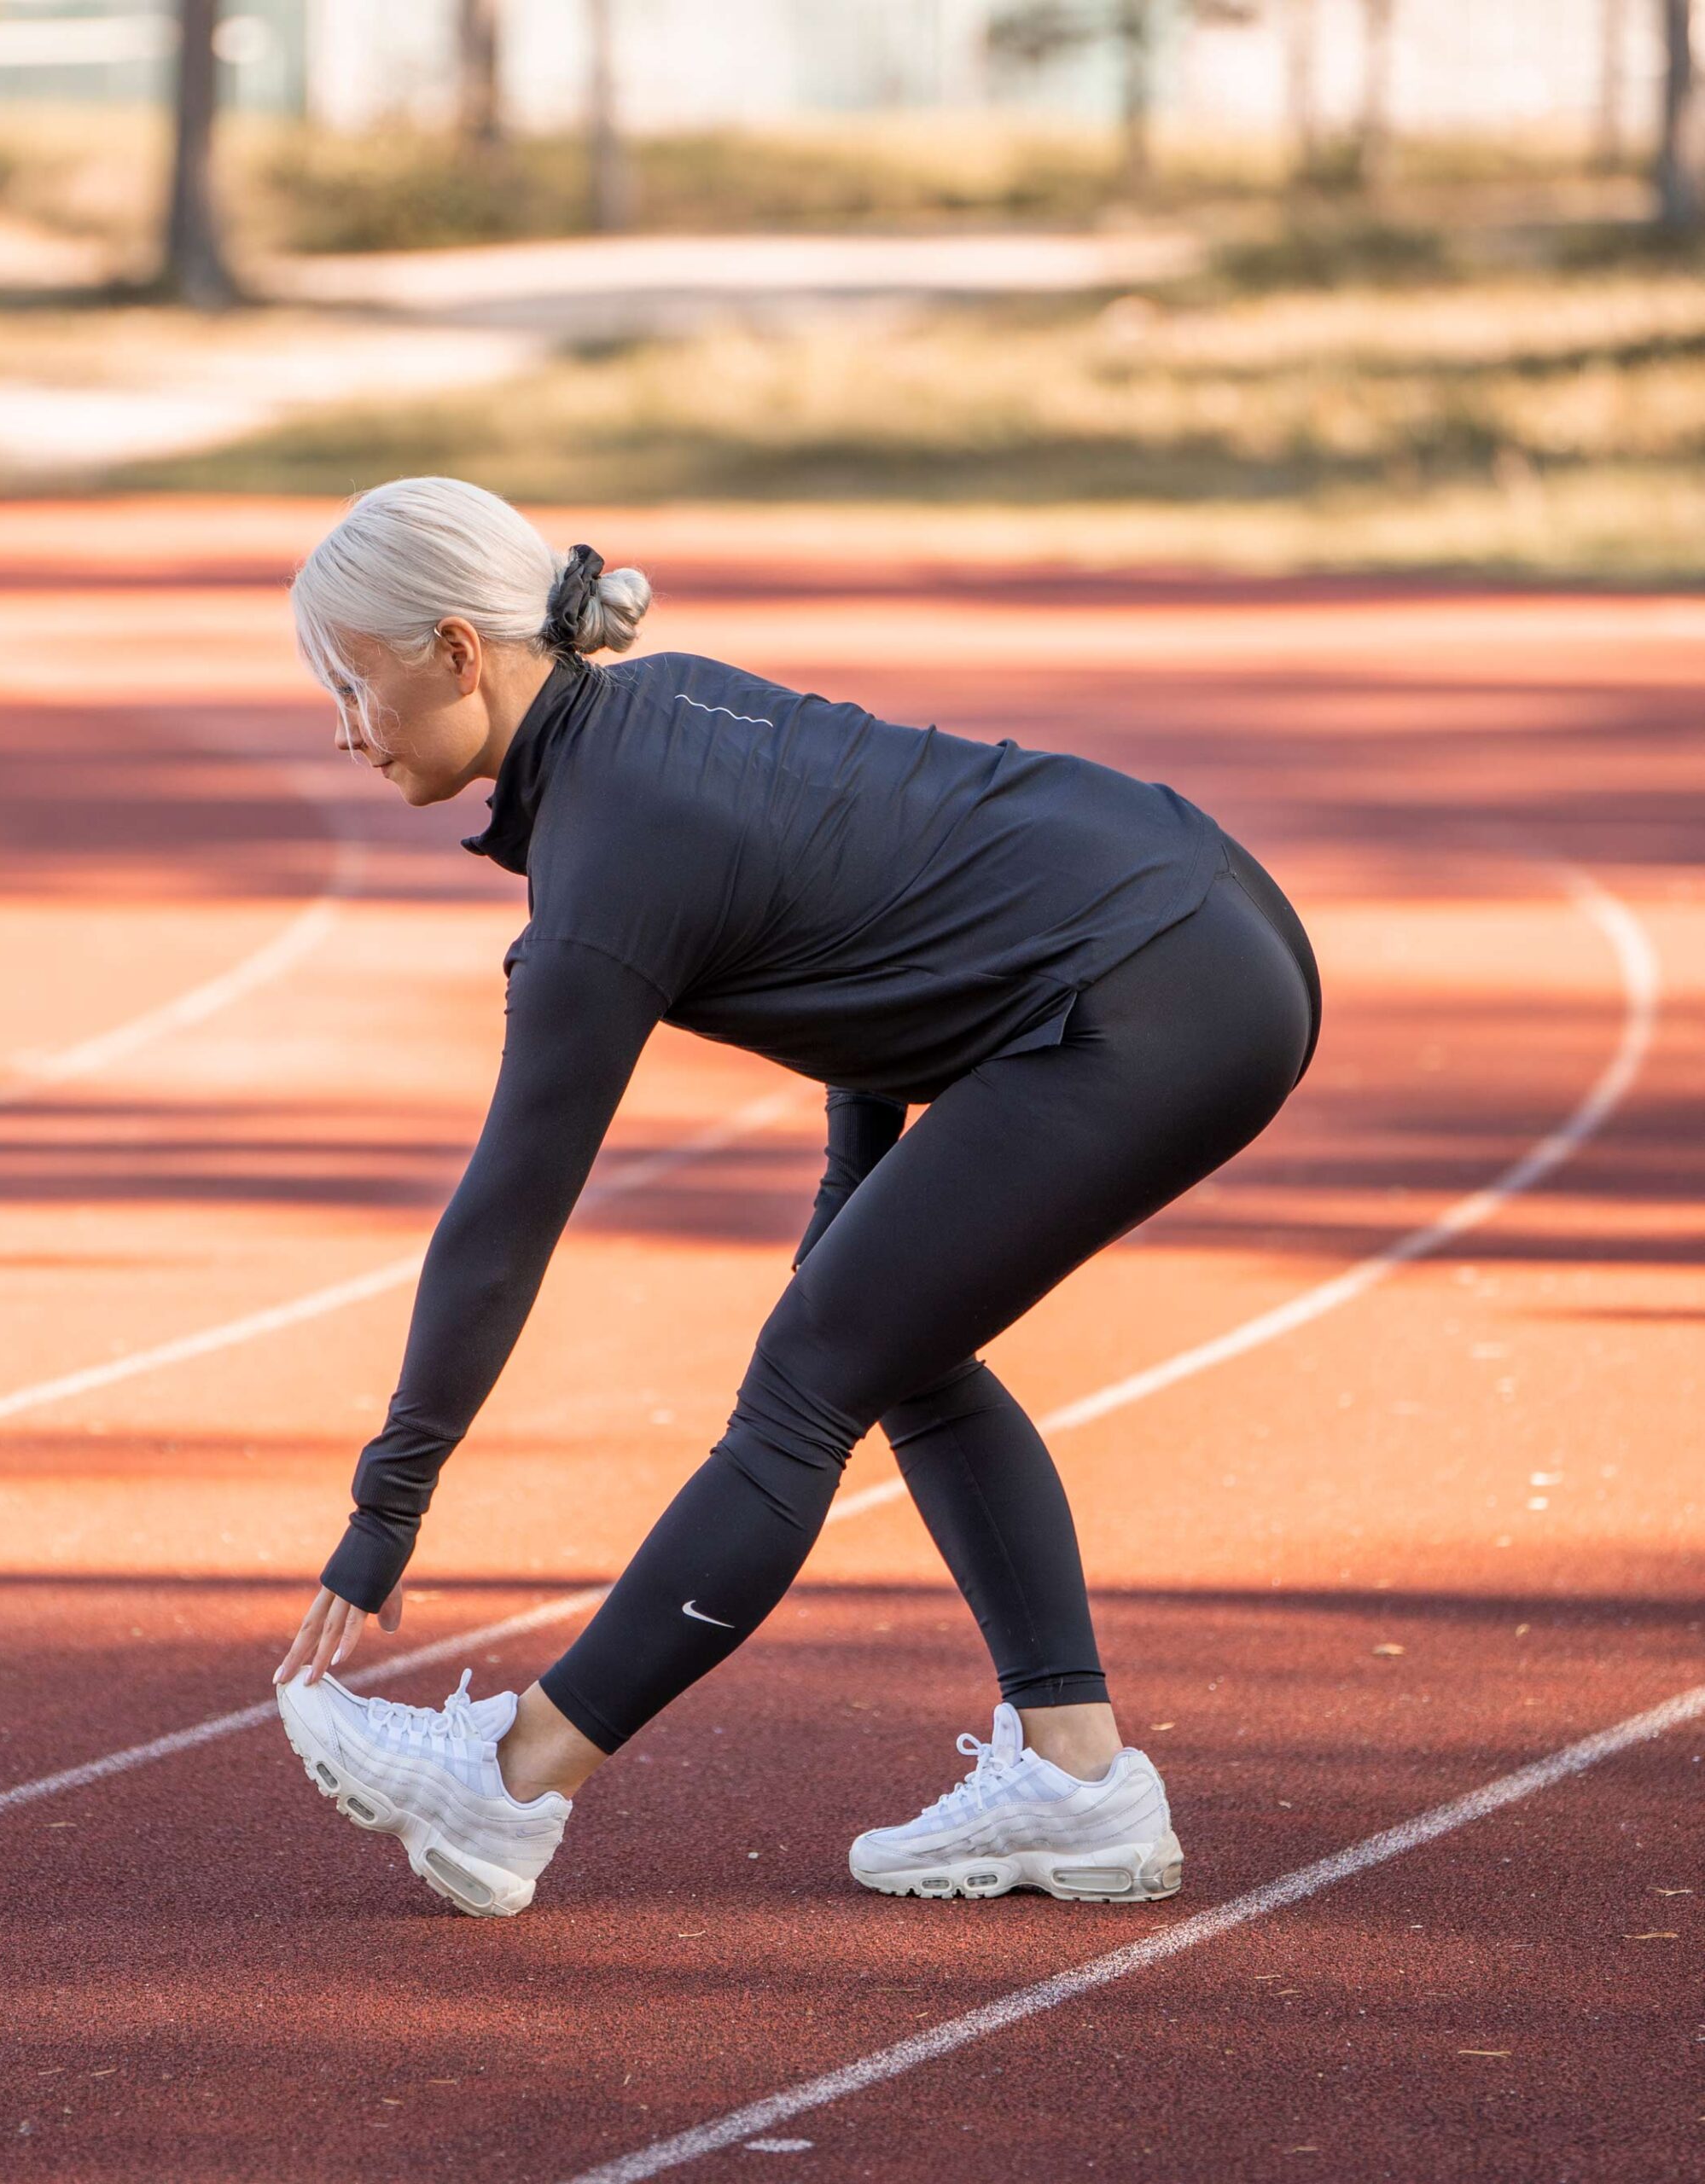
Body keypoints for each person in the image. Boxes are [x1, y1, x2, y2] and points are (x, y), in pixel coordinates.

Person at [271, 477, 1321, 1920]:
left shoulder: (603, 861)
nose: (338, 725)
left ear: (459, 653)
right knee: (889, 1340)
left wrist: (391, 1497)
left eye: (352, 680)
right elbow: (871, 909)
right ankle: (1077, 1779)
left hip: (1149, 988)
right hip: (1193, 921)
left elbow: (508, 1214)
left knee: (810, 1377)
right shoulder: (656, 717)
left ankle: (509, 1786)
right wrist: (855, 1184)